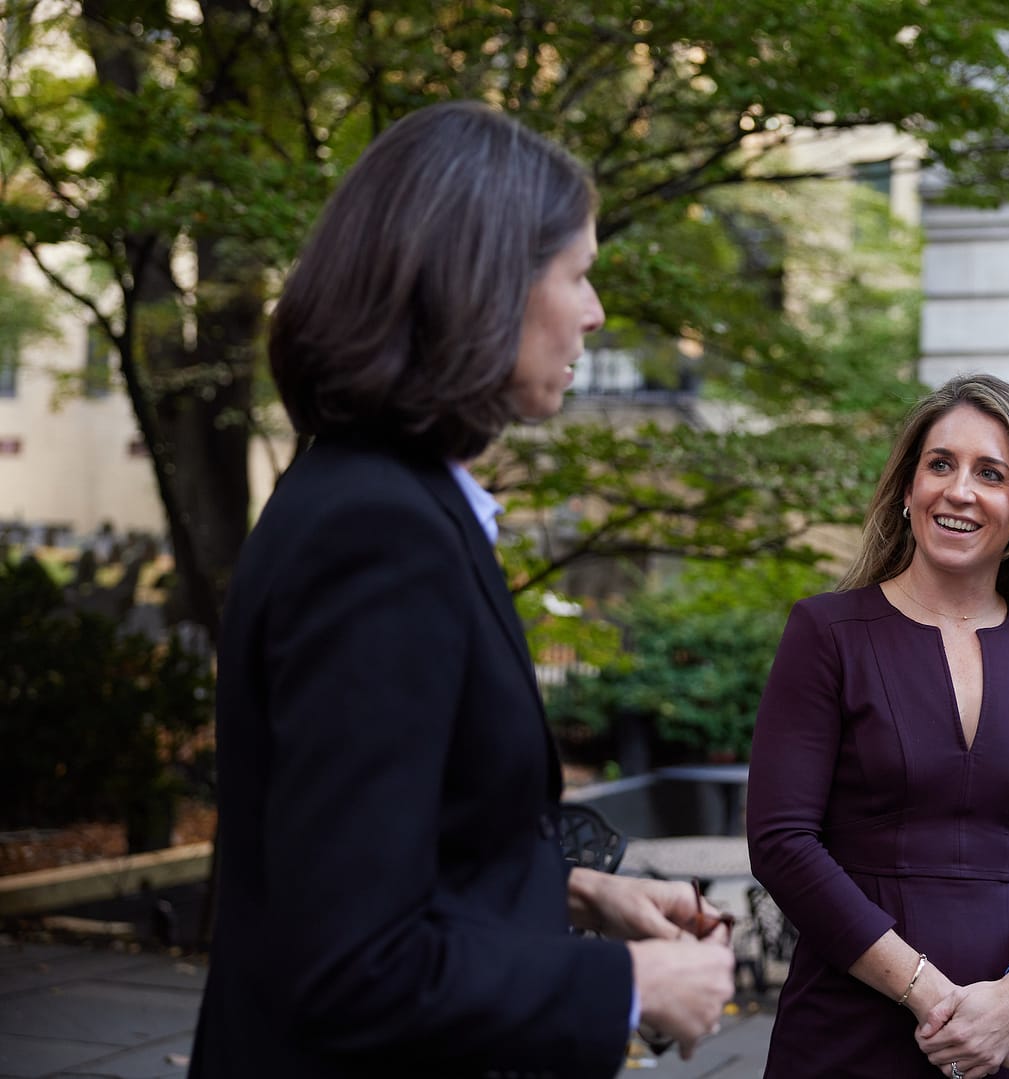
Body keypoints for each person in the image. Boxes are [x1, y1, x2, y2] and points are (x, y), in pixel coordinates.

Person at [189, 101, 734, 1079]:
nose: (595, 309)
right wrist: (627, 987)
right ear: (484, 284)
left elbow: (394, 848)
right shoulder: (378, 533)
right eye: (577, 273)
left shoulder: (378, 495)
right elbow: (351, 960)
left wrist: (574, 890)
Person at [746, 374, 1009, 1078]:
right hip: (848, 1028)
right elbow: (781, 842)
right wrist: (935, 997)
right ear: (908, 487)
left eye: (991, 473)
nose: (959, 490)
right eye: (940, 463)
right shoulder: (827, 632)